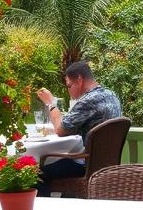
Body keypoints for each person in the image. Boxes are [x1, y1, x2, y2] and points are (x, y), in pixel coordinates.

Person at [35, 61, 122, 193]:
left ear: (79, 80)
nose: (68, 91)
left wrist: (51, 103)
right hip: (107, 165)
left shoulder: (87, 101)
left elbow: (60, 129)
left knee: (36, 175)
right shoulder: (112, 95)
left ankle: (44, 207)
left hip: (88, 168)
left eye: (69, 86)